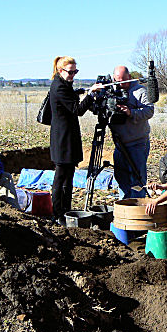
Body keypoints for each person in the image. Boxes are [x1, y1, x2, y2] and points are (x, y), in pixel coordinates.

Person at [49, 56, 103, 222]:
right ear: (60, 71)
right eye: (70, 72)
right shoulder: (59, 87)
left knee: (69, 176)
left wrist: (78, 92)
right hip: (63, 140)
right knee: (61, 177)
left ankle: (66, 210)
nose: (73, 75)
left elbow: (70, 98)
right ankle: (57, 213)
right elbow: (77, 110)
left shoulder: (64, 85)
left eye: (75, 72)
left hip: (68, 137)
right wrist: (91, 95)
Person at [110, 65, 154, 199]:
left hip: (137, 142)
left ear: (129, 77)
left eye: (124, 80)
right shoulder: (111, 91)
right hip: (120, 143)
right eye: (118, 81)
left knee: (137, 178)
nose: (121, 84)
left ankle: (138, 205)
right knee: (121, 177)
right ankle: (125, 204)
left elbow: (149, 111)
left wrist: (131, 112)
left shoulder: (140, 90)